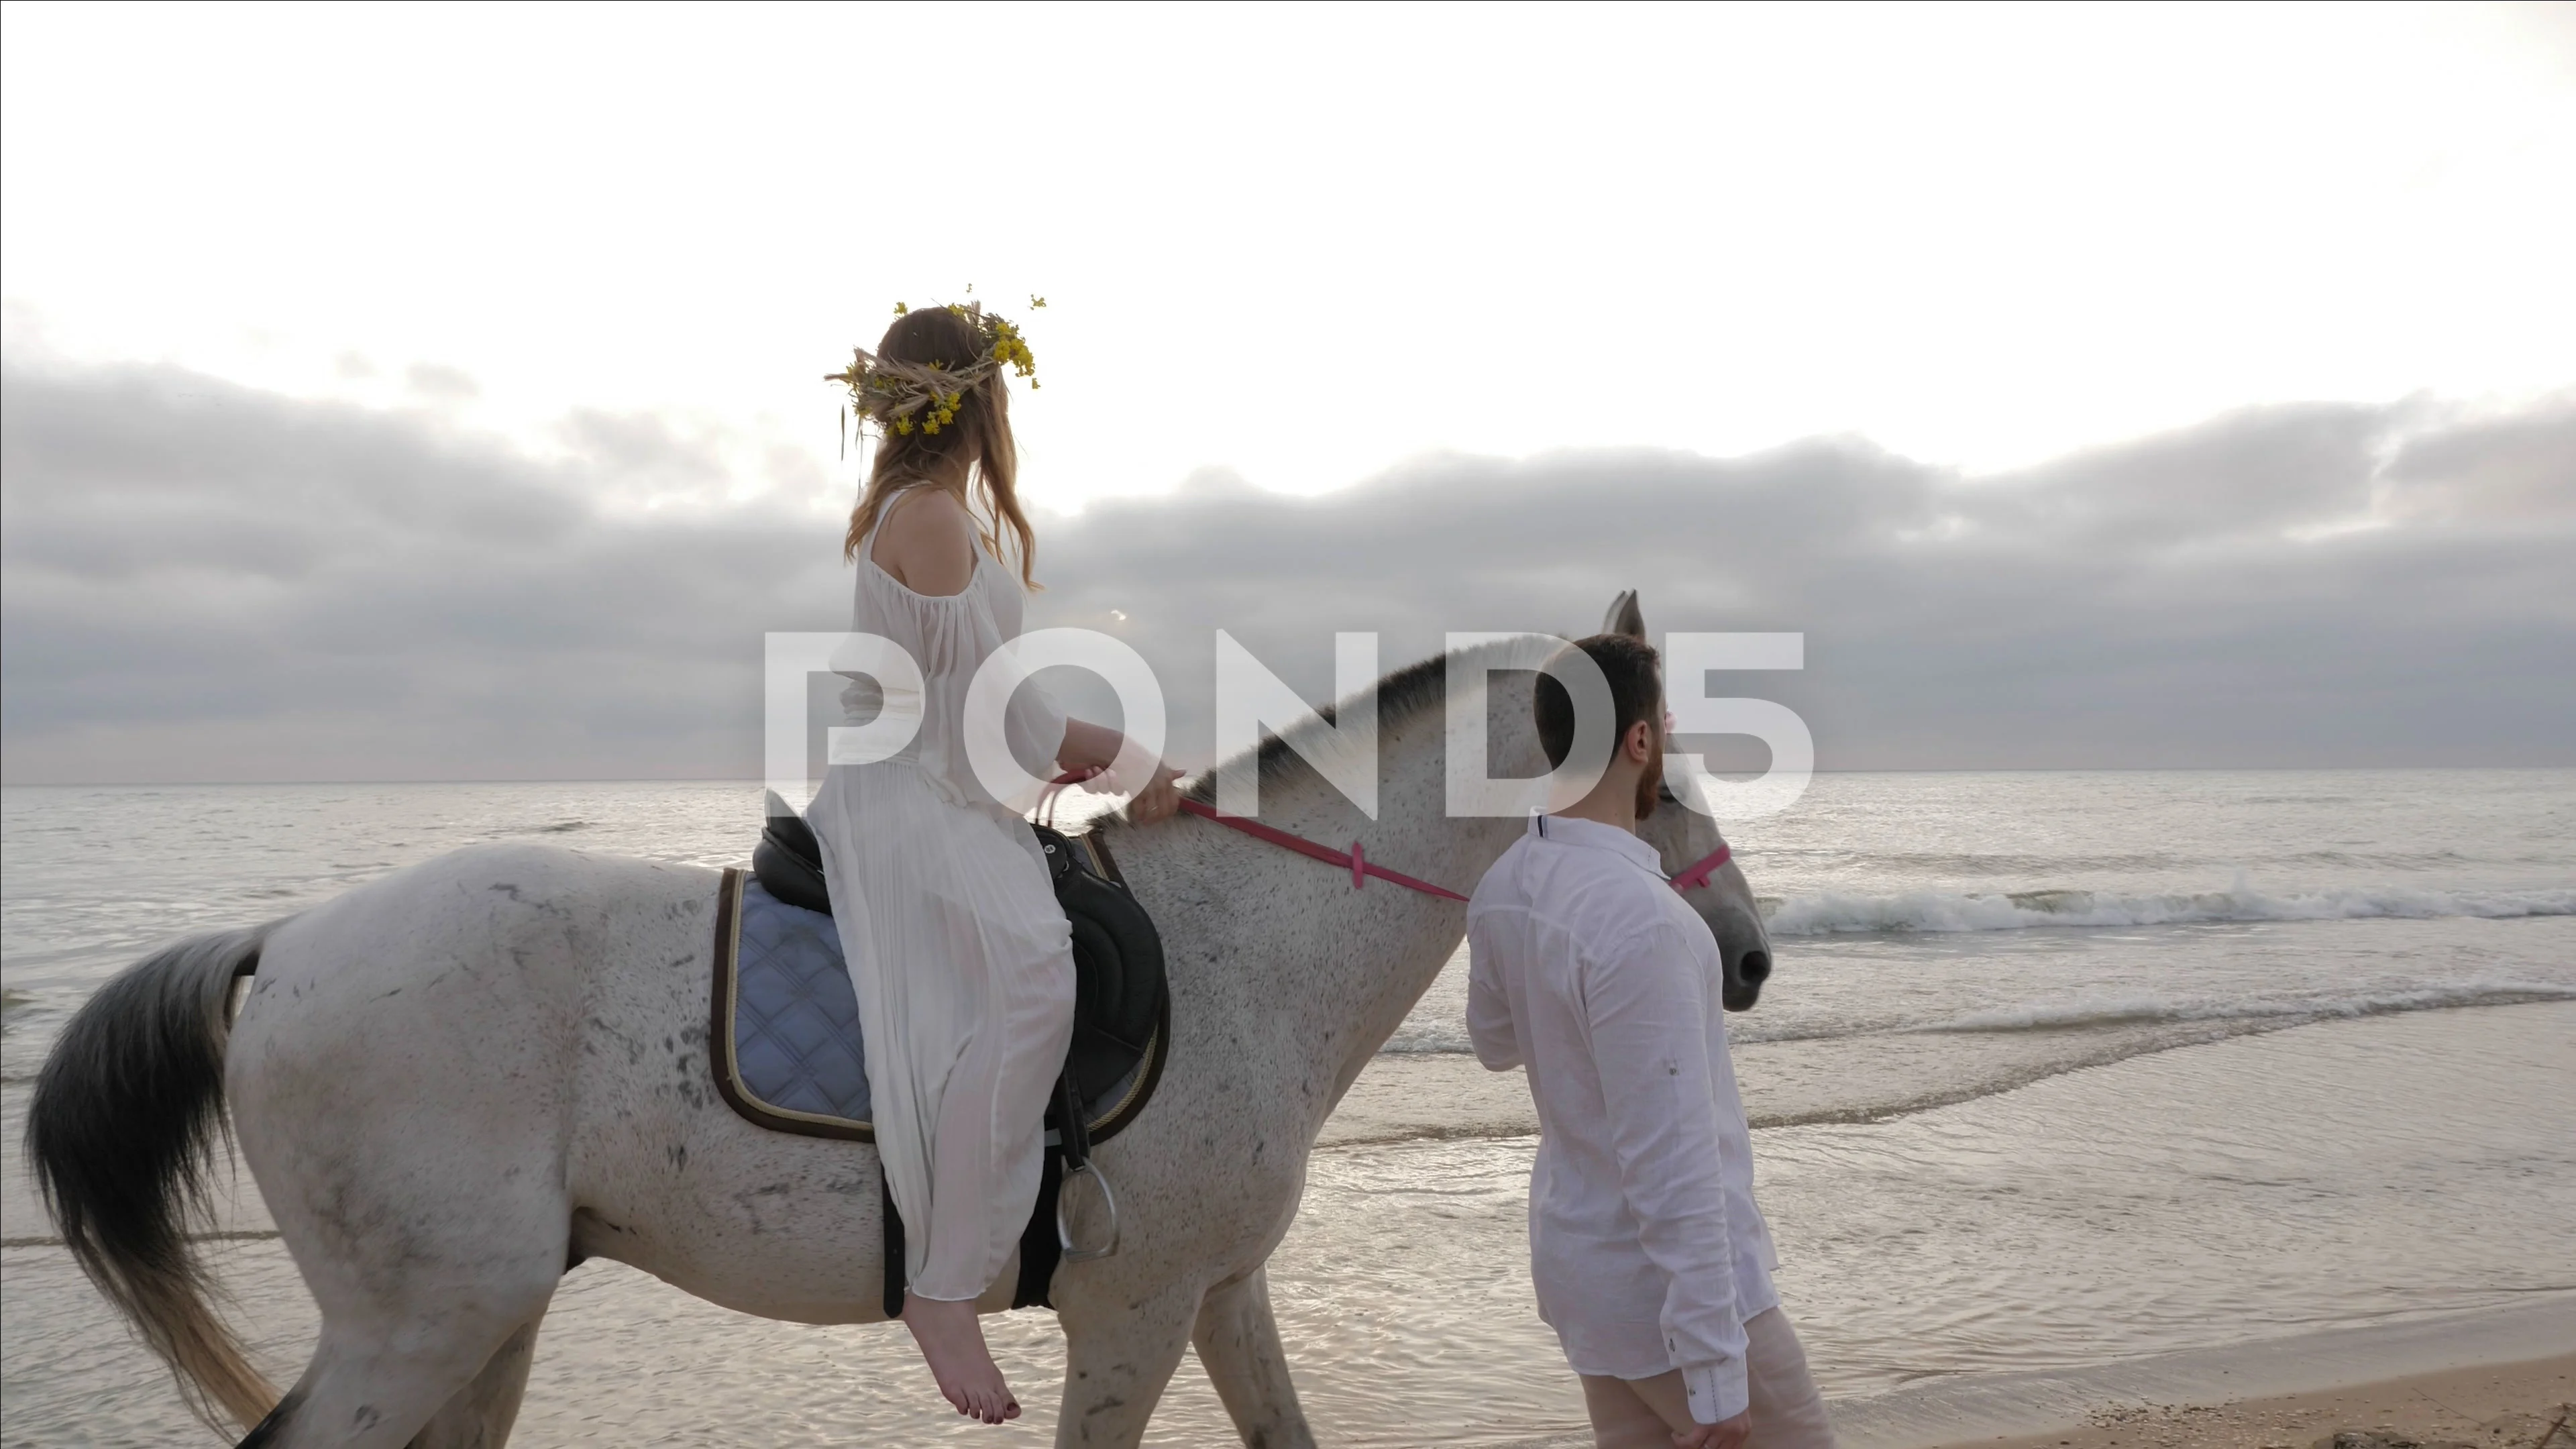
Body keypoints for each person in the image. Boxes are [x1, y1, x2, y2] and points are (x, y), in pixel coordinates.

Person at [810, 303, 1182, 1425]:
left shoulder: (929, 510)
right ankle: (941, 1281)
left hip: (934, 778)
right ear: (980, 394)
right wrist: (1132, 756)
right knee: (1034, 977)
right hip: (906, 797)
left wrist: (1098, 754)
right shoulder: (928, 518)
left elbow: (998, 710)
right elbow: (1003, 722)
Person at [1466, 634, 1835, 1449]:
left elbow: (1493, 1042)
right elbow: (1675, 1165)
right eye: (1663, 729)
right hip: (1675, 1305)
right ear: (1641, 743)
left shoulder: (1502, 890)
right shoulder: (1645, 921)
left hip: (1585, 1282)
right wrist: (1714, 1370)